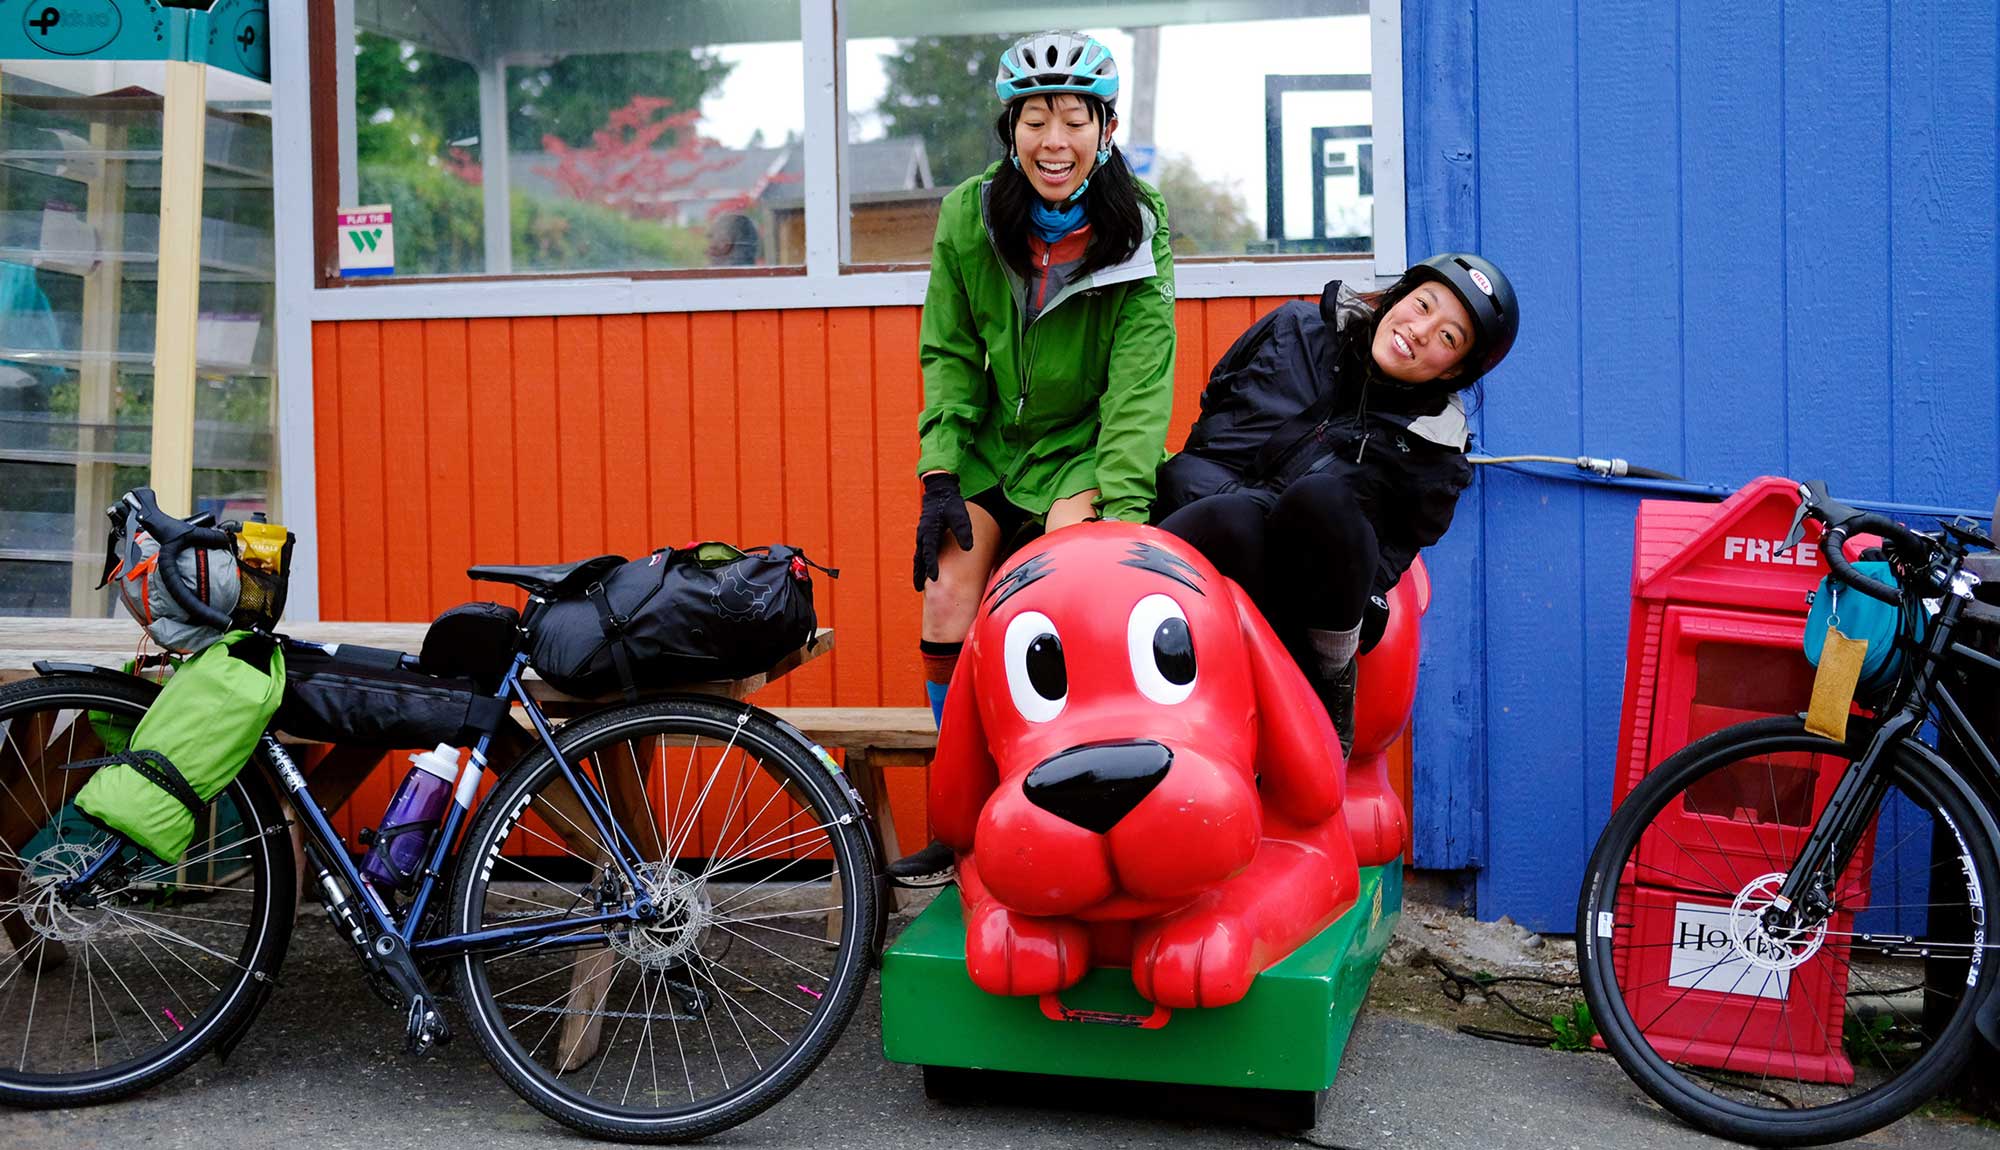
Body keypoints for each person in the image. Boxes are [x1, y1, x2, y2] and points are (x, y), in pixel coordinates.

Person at [890, 30, 1177, 886]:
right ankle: (961, 815)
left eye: (1074, 119)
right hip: (990, 450)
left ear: (1107, 126)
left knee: (1057, 596)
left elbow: (1141, 383)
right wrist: (940, 470)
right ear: (1010, 129)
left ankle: (1061, 810)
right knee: (947, 597)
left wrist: (1120, 515)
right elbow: (946, 351)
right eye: (1036, 119)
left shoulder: (1139, 228)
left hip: (1081, 453)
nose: (1056, 140)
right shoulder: (969, 216)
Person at [1152, 253, 1519, 749]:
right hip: (1204, 535)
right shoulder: (1295, 327)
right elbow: (1216, 400)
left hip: (1300, 598)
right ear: (1399, 294)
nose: (1421, 330)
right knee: (1200, 491)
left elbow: (1386, 561)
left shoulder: (1433, 452)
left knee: (1318, 501)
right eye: (1423, 304)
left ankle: (1326, 686)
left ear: (1454, 371)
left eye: (1449, 337)